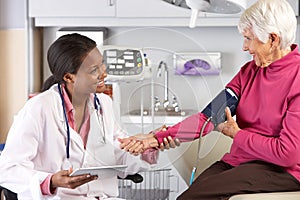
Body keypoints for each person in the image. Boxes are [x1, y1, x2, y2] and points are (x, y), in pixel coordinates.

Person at [119, 0, 300, 199]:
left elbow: (287, 154)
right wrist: (155, 139)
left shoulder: (296, 79)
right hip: (240, 162)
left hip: (281, 170)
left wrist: (237, 135)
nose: (244, 47)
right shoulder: (249, 72)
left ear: (273, 39)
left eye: (249, 38)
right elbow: (209, 117)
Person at [0, 33, 158, 200]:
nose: (104, 73)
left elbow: (118, 155)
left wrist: (148, 146)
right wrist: (51, 181)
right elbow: (7, 169)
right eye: (94, 70)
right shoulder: (39, 108)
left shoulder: (103, 104)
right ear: (69, 77)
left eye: (102, 64)